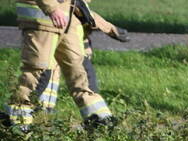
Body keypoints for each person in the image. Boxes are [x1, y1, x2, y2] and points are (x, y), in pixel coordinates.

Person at [2, 0, 115, 131]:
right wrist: (52, 9)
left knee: (78, 69)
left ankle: (99, 118)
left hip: (67, 21)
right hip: (42, 21)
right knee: (38, 71)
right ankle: (16, 121)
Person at [37, 7, 129, 114]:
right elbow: (82, 11)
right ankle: (98, 117)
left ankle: (41, 109)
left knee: (49, 73)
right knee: (83, 80)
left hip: (58, 39)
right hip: (72, 45)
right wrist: (110, 28)